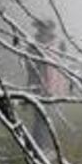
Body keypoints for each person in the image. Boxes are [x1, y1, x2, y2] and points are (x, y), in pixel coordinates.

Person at [26, 18, 56, 150]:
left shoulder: (49, 44)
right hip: (39, 85)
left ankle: (35, 146)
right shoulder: (35, 45)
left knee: (42, 118)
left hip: (48, 85)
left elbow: (54, 67)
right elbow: (32, 66)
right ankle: (38, 149)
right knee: (41, 118)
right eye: (46, 29)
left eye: (50, 29)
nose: (49, 32)